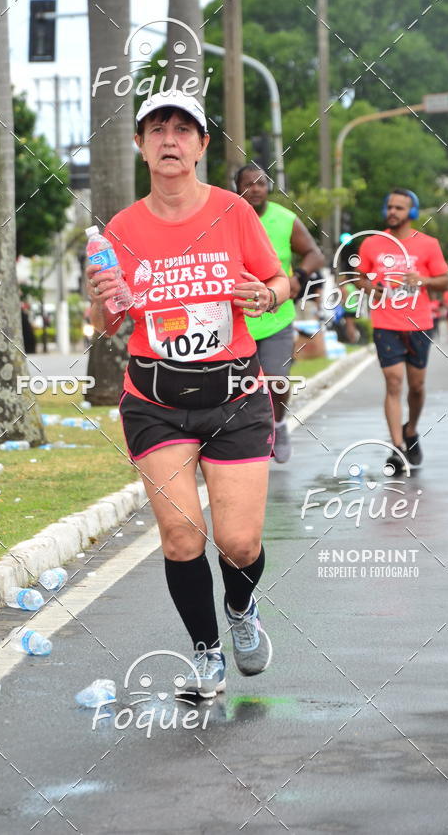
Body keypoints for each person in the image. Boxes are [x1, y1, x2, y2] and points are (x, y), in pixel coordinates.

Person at [86, 91, 290, 698]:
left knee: (238, 542)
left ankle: (240, 610)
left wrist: (268, 297)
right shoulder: (122, 228)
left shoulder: (233, 212)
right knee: (182, 537)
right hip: (155, 401)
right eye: (156, 130)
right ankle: (205, 656)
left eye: (182, 130)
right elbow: (108, 323)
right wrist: (101, 296)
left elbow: (279, 279)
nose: (169, 139)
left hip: (234, 396)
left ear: (202, 146)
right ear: (141, 146)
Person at [234, 165, 324, 462]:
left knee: (276, 378)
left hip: (277, 315)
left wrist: (298, 276)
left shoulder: (285, 219)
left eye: (261, 183)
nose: (256, 188)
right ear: (238, 188)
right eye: (249, 184)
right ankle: (243, 438)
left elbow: (314, 253)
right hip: (237, 319)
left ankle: (279, 423)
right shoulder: (226, 219)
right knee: (239, 386)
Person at [357, 188, 448, 472]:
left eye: (400, 208)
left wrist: (422, 279)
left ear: (411, 212)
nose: (393, 212)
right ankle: (397, 447)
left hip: (419, 323)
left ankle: (411, 431)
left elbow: (444, 280)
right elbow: (359, 279)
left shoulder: (429, 244)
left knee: (417, 387)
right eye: (390, 207)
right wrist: (374, 288)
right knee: (394, 382)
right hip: (386, 323)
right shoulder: (372, 243)